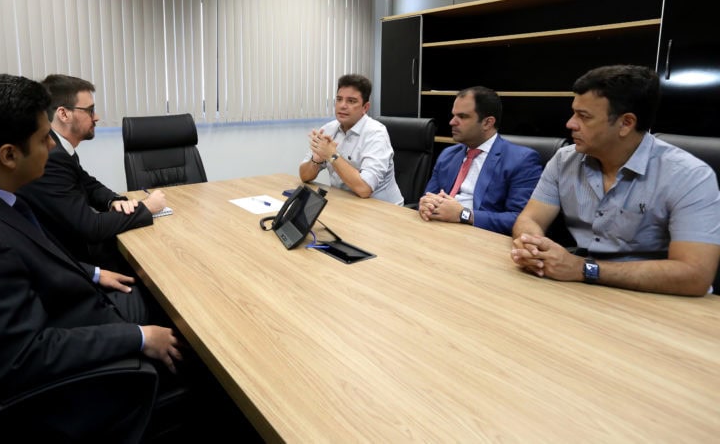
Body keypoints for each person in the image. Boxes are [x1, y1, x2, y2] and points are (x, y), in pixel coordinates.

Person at [0, 73, 182, 438]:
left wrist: (92, 273)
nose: (53, 146)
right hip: (81, 384)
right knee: (189, 329)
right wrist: (138, 337)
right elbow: (25, 356)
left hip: (76, 312)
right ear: (9, 155)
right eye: (44, 138)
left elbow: (27, 257)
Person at [511, 65, 720, 296]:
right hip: (582, 288)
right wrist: (533, 246)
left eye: (584, 116)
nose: (570, 123)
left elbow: (695, 276)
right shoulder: (565, 160)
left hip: (657, 298)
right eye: (574, 113)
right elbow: (530, 218)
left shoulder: (690, 175)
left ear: (626, 123)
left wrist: (584, 269)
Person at [18, 74, 167, 271]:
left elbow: (87, 183)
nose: (96, 117)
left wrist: (113, 200)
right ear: (64, 114)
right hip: (74, 263)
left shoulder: (61, 149)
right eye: (90, 110)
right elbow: (90, 227)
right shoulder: (52, 156)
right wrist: (146, 207)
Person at [419, 87, 543, 235]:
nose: (452, 122)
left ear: (487, 123)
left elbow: (521, 220)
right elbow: (428, 196)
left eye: (462, 116)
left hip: (479, 236)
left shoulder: (521, 160)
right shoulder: (448, 154)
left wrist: (463, 214)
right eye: (453, 115)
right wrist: (426, 204)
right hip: (436, 229)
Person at [299, 74, 404, 205]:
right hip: (346, 203)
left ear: (365, 108)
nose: (342, 105)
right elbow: (304, 176)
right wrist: (316, 160)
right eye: (339, 99)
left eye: (351, 101)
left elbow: (364, 189)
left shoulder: (376, 134)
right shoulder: (328, 129)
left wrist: (332, 155)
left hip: (383, 210)